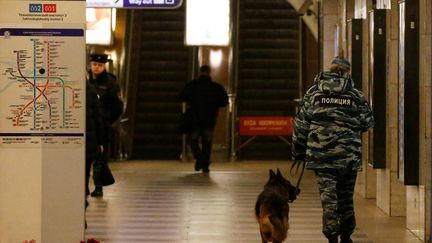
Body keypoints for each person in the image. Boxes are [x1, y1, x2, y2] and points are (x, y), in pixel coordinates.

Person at [292, 56, 374, 243]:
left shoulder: (314, 93)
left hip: (322, 156)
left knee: (328, 198)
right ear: (347, 72)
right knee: (345, 196)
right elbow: (368, 122)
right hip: (348, 156)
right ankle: (346, 234)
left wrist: (298, 151)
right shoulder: (355, 94)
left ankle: (331, 236)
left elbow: (301, 125)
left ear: (329, 70)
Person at [179, 65, 229, 173]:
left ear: (200, 72)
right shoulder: (216, 87)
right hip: (210, 120)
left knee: (192, 141)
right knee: (207, 143)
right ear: (209, 72)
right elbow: (224, 101)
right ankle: (205, 166)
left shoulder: (193, 85)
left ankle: (199, 157)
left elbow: (182, 96)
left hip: (195, 119)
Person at [87, 53, 123, 197]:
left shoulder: (110, 83)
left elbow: (117, 107)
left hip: (102, 126)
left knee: (100, 157)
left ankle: (99, 186)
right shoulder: (85, 80)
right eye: (94, 64)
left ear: (104, 66)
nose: (96, 67)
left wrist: (107, 120)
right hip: (88, 124)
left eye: (100, 65)